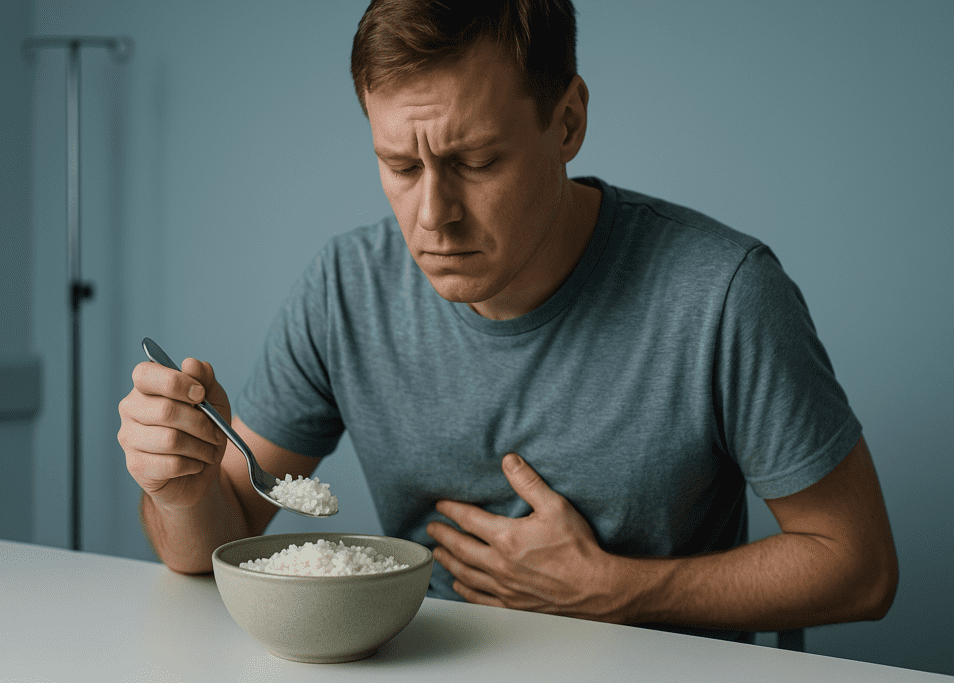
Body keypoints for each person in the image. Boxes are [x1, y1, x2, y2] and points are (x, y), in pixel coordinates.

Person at [117, 0, 898, 643]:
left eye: (476, 161)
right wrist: (182, 487)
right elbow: (218, 538)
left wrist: (617, 590)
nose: (433, 217)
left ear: (566, 122)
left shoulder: (723, 293)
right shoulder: (345, 287)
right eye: (400, 166)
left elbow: (859, 566)